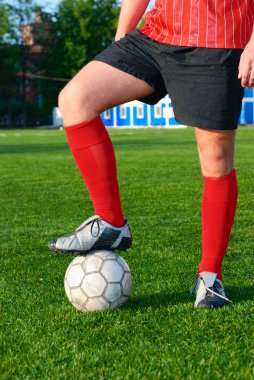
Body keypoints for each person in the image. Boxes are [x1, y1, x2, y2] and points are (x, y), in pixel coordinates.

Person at [48, 0, 254, 308]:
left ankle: (210, 277)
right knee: (75, 99)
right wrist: (122, 37)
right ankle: (111, 222)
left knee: (215, 162)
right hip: (157, 34)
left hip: (217, 38)